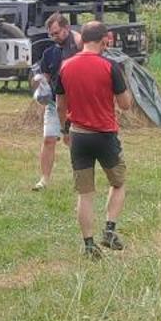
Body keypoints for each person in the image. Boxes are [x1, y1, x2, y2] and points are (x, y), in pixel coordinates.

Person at [56, 21, 132, 258]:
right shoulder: (110, 66)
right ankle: (109, 230)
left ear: (82, 39)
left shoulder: (66, 66)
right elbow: (125, 105)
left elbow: (60, 104)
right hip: (105, 134)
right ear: (104, 40)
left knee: (85, 193)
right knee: (118, 183)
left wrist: (64, 130)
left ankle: (89, 245)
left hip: (78, 135)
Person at [31, 14, 81, 190]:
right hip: (54, 104)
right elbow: (44, 78)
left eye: (57, 33)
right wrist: (39, 84)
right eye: (51, 34)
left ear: (67, 29)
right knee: (49, 139)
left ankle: (80, 178)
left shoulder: (79, 48)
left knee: (73, 141)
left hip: (77, 103)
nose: (54, 37)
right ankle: (44, 180)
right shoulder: (49, 53)